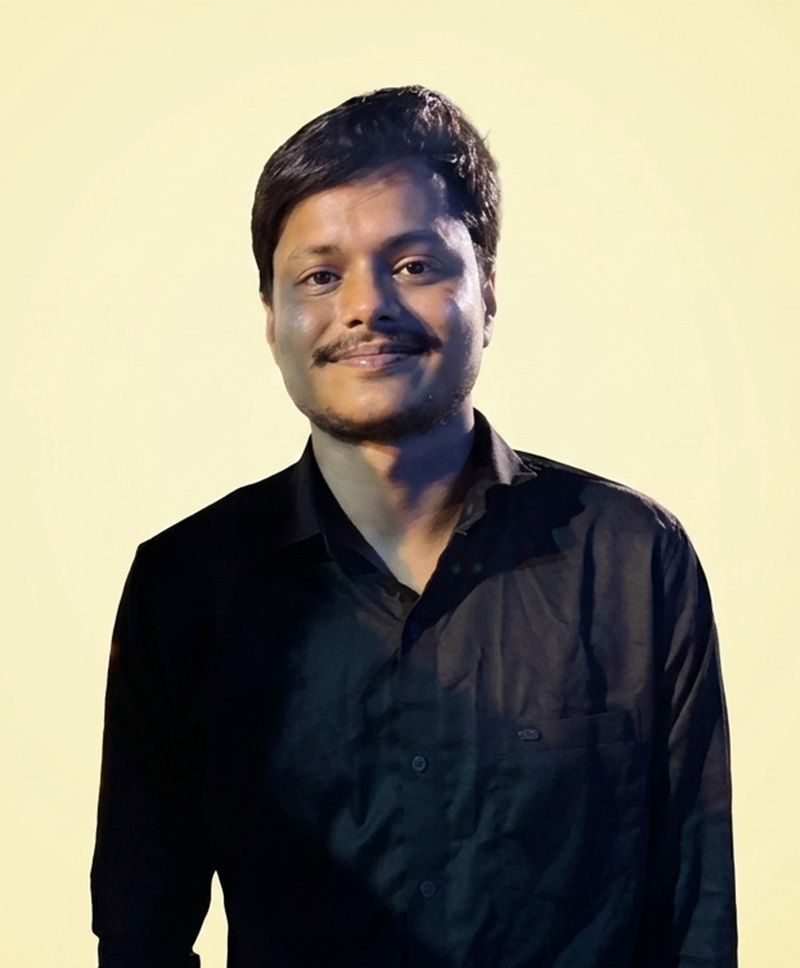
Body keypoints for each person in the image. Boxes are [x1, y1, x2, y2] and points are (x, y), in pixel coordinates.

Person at [91, 86, 736, 968]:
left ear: (488, 292)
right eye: (320, 276)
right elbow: (141, 936)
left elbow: (696, 921)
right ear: (272, 318)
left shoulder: (633, 561)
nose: (366, 307)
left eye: (414, 265)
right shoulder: (185, 587)